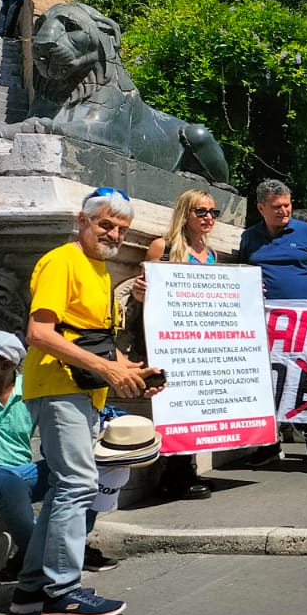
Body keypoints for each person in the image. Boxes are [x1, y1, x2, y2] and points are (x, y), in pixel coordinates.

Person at [11, 188, 162, 615]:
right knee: (77, 485)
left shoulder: (97, 269)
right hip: (58, 390)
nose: (113, 233)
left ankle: (32, 590)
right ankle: (64, 594)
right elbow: (39, 334)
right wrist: (109, 369)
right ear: (83, 220)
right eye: (105, 224)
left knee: (67, 487)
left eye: (121, 228)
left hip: (78, 391)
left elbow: (90, 339)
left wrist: (131, 373)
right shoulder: (62, 261)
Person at [238, 179, 307, 466]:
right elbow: (241, 271)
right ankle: (268, 446)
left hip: (305, 322)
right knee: (266, 382)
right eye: (277, 207)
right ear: (261, 208)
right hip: (264, 323)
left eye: (287, 205)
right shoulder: (250, 237)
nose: (284, 211)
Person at [131, 189, 222, 499]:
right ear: (186, 213)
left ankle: (188, 470)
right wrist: (140, 292)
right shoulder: (163, 247)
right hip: (169, 341)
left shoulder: (211, 254)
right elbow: (141, 292)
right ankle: (175, 475)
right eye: (202, 211)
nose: (209, 217)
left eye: (213, 212)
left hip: (200, 342)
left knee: (195, 408)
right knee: (175, 407)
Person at [0, 331, 38, 584]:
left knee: (85, 474)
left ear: (6, 365)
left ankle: (77, 543)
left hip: (25, 471)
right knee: (8, 484)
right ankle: (42, 564)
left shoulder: (33, 391)